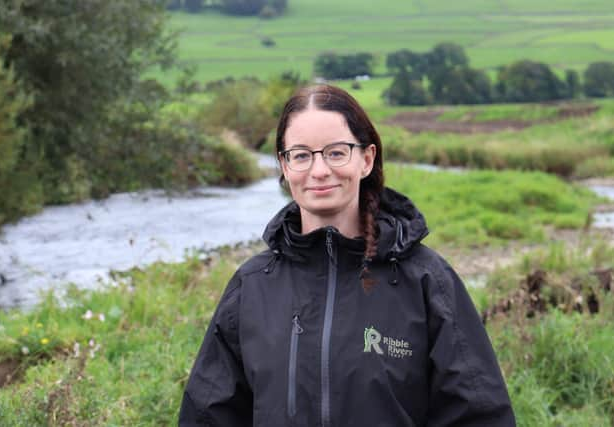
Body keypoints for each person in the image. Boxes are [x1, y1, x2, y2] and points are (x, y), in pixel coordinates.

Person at [179, 84, 516, 426]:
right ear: (284, 165)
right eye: (301, 154)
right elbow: (207, 417)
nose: (320, 170)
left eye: (336, 152)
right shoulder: (251, 287)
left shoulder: (428, 281)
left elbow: (478, 415)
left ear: (366, 159)